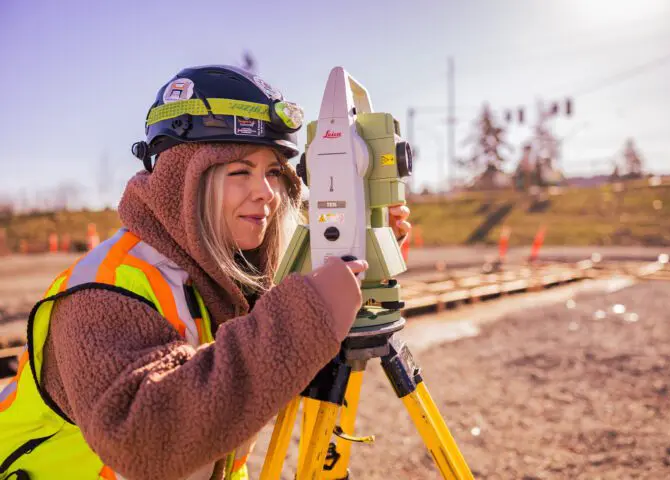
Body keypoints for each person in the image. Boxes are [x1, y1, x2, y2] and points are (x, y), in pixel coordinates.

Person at [0, 65, 411, 480]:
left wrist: (364, 238)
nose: (266, 193)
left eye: (273, 171)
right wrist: (306, 315)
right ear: (185, 181)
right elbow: (146, 438)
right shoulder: (104, 291)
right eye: (239, 171)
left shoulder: (220, 272)